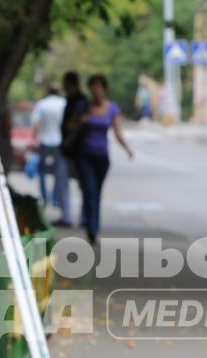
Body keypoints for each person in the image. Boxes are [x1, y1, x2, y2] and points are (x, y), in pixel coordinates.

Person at [75, 74, 135, 244]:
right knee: (89, 190)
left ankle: (93, 224)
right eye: (93, 86)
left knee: (97, 192)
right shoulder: (83, 107)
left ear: (104, 89)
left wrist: (127, 149)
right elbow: (70, 126)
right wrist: (81, 121)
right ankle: (91, 228)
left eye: (99, 86)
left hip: (101, 156)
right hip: (84, 154)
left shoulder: (112, 108)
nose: (96, 90)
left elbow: (118, 132)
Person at [30, 83, 69, 224]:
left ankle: (45, 196)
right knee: (59, 174)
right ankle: (55, 197)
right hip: (59, 141)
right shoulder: (63, 104)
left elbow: (36, 123)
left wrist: (34, 140)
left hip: (45, 140)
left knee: (42, 172)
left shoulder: (42, 104)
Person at [57, 70, 90, 226]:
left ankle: (79, 216)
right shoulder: (72, 99)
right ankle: (68, 216)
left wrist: (72, 125)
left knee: (81, 184)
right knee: (66, 182)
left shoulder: (80, 101)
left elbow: (76, 122)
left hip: (76, 147)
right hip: (69, 147)